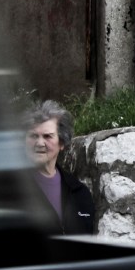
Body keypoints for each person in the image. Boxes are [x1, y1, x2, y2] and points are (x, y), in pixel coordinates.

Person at [22, 99, 96, 235]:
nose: (39, 143)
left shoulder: (79, 193)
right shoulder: (12, 190)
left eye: (47, 136)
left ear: (61, 142)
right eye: (33, 136)